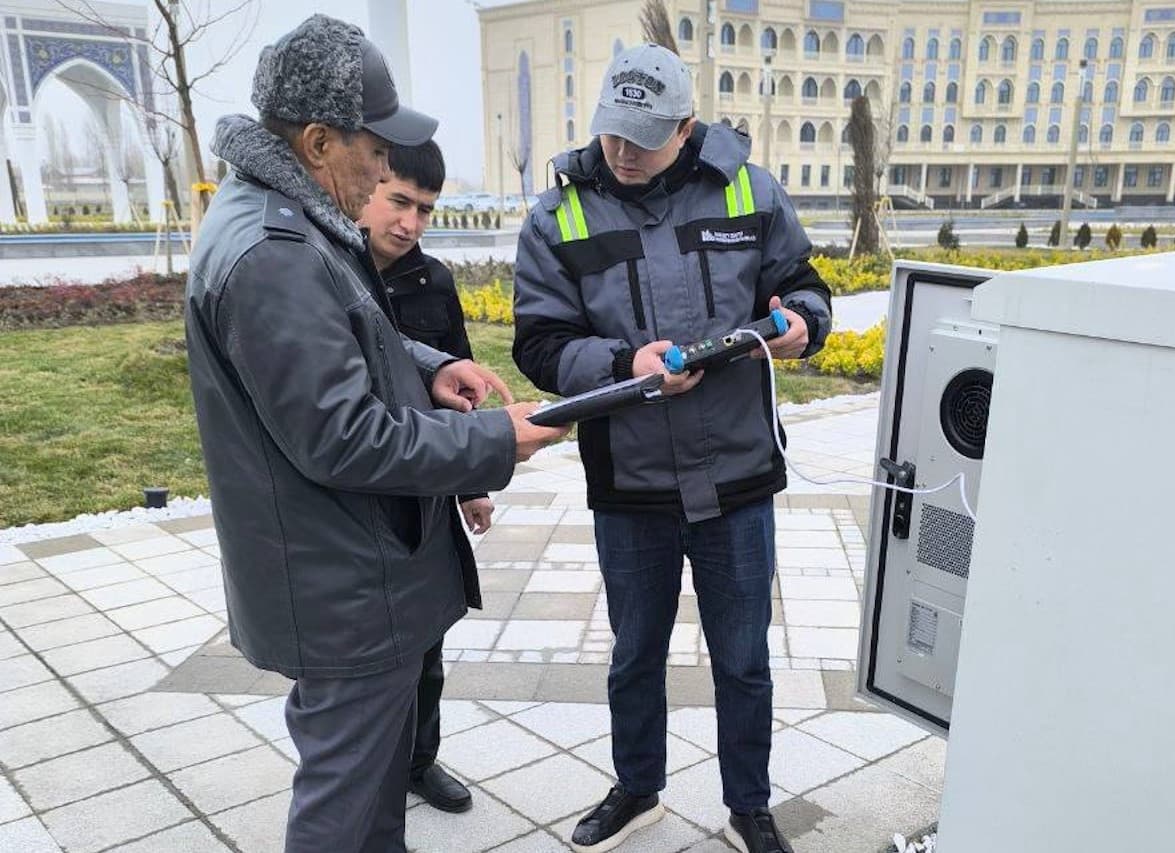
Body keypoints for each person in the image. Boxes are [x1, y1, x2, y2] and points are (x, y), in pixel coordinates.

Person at [184, 15, 566, 852]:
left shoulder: (289, 217)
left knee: (370, 812)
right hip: (344, 594)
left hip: (354, 578)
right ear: (319, 141)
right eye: (378, 151)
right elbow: (342, 437)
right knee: (343, 811)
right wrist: (496, 441)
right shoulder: (271, 250)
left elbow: (347, 337)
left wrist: (427, 365)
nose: (387, 169)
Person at [512, 43, 831, 853]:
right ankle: (637, 787)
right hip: (633, 480)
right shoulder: (560, 214)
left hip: (737, 476)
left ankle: (749, 803)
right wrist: (627, 365)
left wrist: (802, 326)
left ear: (686, 126)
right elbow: (541, 344)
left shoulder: (750, 191)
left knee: (743, 659)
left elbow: (805, 287)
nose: (622, 152)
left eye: (643, 137)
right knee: (635, 653)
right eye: (612, 133)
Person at [356, 137, 486, 814]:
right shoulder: (330, 272)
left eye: (425, 209)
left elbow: (458, 375)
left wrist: (471, 481)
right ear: (368, 184)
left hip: (427, 484)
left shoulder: (431, 279)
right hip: (354, 488)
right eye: (399, 200)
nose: (409, 222)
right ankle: (366, 767)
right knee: (367, 652)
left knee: (430, 640)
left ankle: (419, 759)